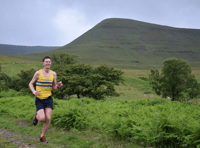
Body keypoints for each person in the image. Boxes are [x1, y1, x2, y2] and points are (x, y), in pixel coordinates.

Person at [29, 56, 63, 143]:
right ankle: (36, 118)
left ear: (51, 63)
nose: (48, 63)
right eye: (46, 61)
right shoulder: (38, 73)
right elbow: (31, 83)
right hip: (39, 99)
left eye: (49, 62)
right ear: (43, 63)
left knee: (48, 118)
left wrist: (58, 85)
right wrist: (33, 91)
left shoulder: (53, 74)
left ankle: (42, 137)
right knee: (42, 118)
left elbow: (54, 87)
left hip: (48, 99)